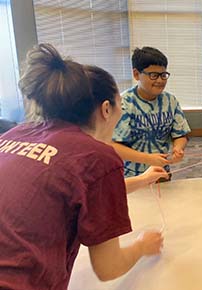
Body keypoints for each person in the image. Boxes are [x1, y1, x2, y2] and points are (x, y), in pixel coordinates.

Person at [0, 44, 169, 290]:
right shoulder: (97, 156)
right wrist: (143, 245)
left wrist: (143, 179)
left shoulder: (16, 133)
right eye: (120, 106)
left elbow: (76, 190)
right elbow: (108, 268)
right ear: (106, 109)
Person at [112, 47, 191, 178]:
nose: (160, 81)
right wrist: (148, 159)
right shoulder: (123, 104)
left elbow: (180, 134)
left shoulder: (170, 101)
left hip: (161, 174)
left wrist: (178, 148)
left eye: (163, 75)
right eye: (153, 75)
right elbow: (113, 146)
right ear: (136, 74)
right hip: (132, 178)